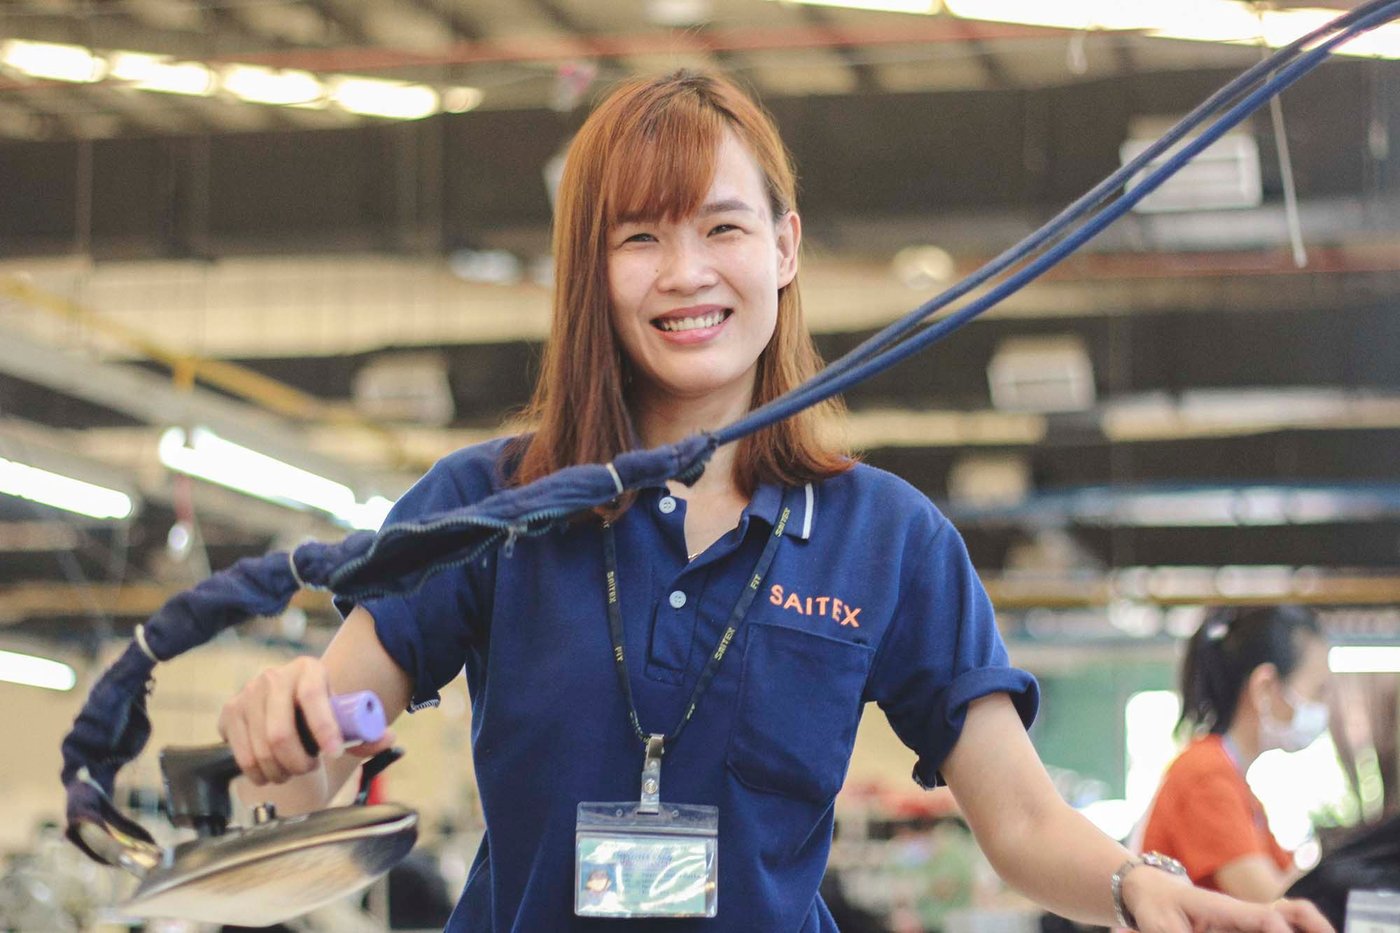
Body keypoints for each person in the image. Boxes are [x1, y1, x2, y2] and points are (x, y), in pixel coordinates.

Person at [217, 70, 1333, 933]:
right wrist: (295, 735)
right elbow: (341, 724)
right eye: (638, 237)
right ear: (588, 273)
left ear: (785, 247)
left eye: (721, 227)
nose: (684, 273)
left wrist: (1143, 887)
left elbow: (1024, 821)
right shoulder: (490, 507)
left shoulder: (884, 541)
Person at [1139, 605, 1332, 901]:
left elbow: (1290, 880)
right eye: (1318, 690)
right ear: (1265, 687)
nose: (1323, 707)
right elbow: (1273, 903)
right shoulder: (1205, 775)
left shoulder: (1235, 781)